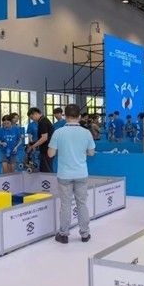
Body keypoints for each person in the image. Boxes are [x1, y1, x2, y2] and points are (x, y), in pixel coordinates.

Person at [48, 104, 95, 244]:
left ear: (65, 116)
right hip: (81, 173)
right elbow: (91, 153)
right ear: (79, 116)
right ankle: (85, 234)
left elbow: (50, 154)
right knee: (82, 204)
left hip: (64, 174)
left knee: (65, 205)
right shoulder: (86, 133)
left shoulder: (58, 132)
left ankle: (63, 234)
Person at [26, 107, 55, 173]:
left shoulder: (42, 122)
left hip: (46, 150)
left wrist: (33, 146)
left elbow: (44, 138)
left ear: (35, 114)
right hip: (48, 149)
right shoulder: (44, 120)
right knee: (45, 169)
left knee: (46, 171)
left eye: (32, 118)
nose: (32, 120)